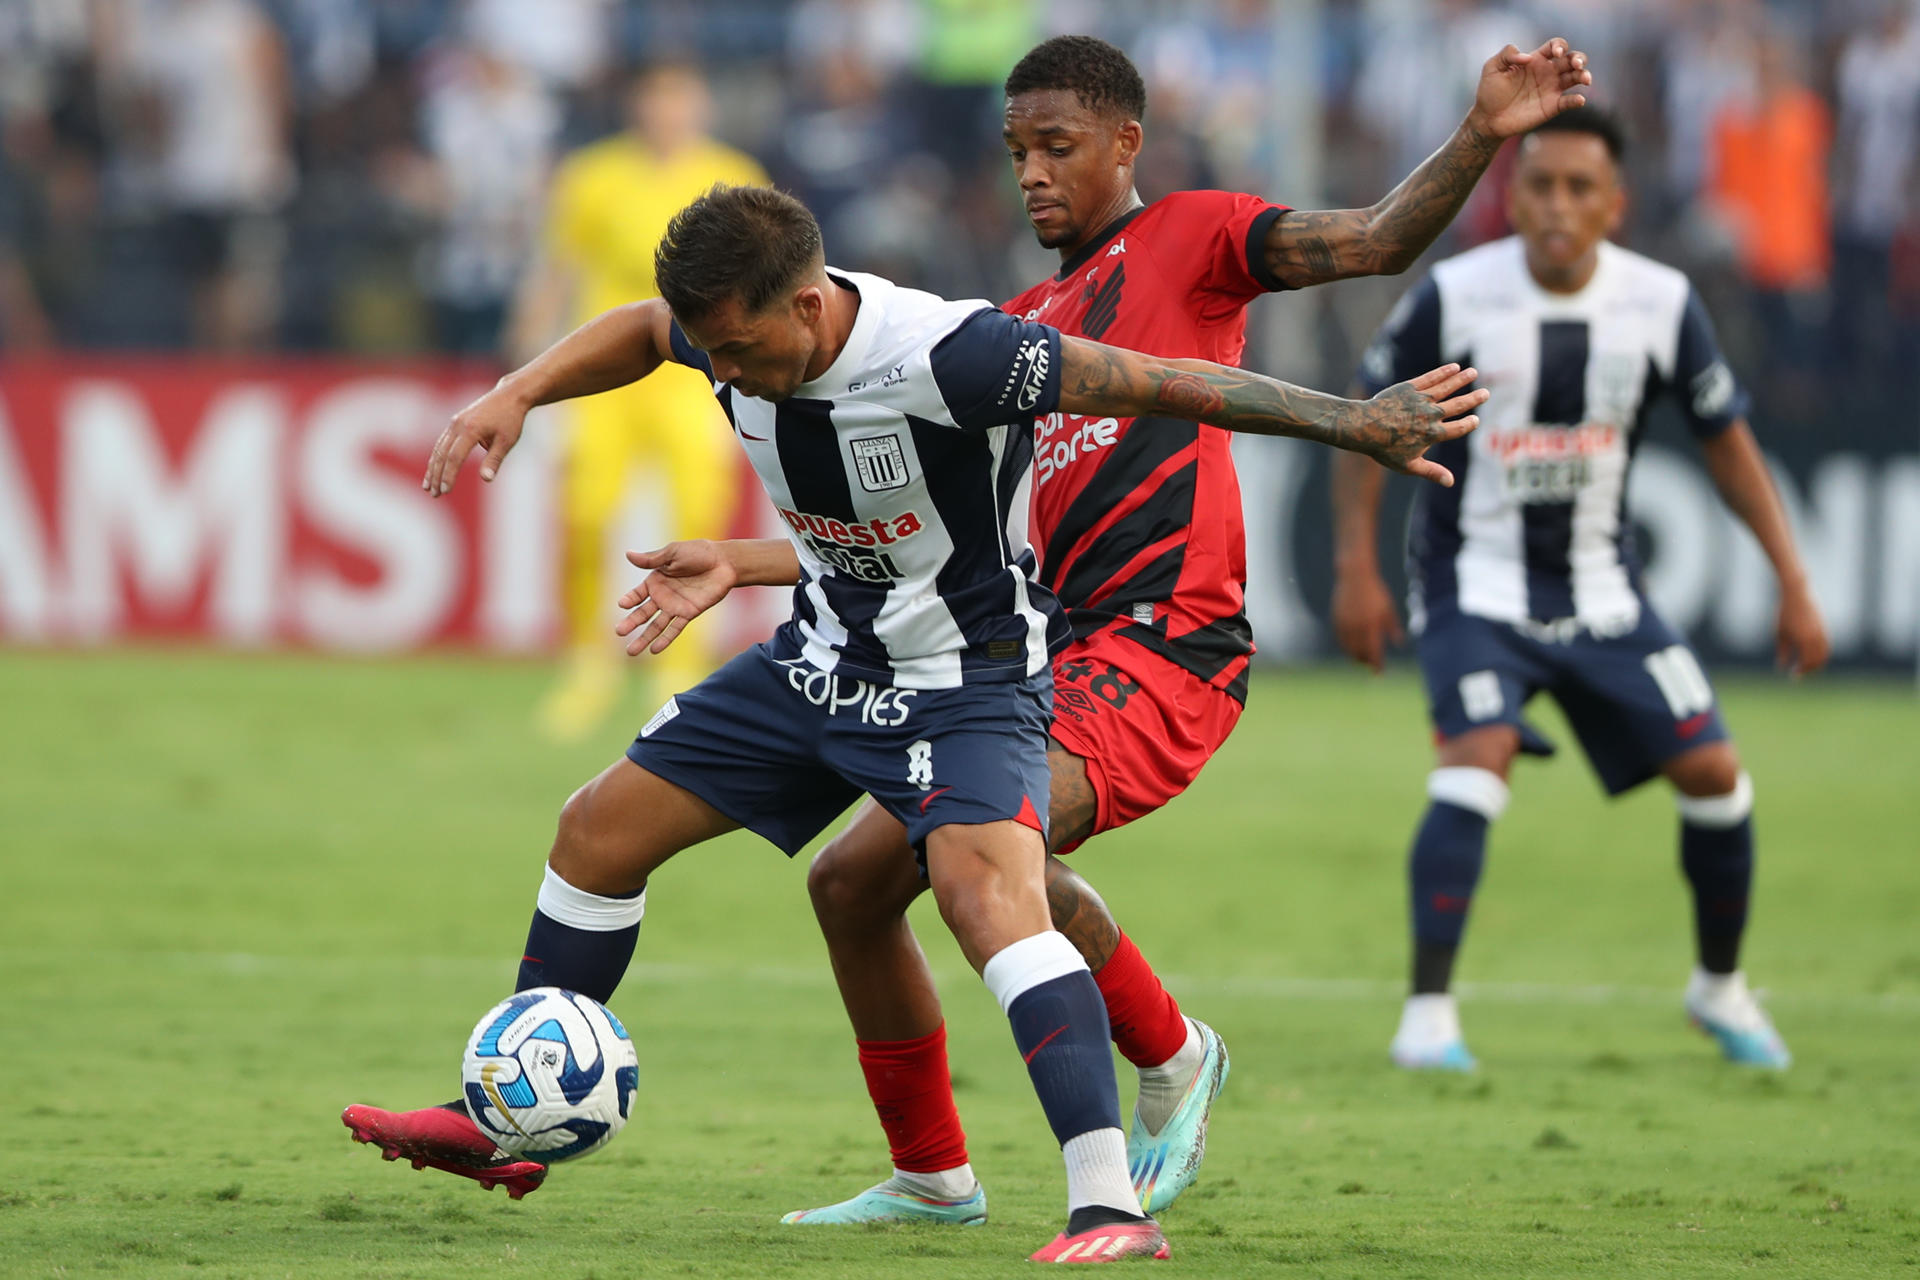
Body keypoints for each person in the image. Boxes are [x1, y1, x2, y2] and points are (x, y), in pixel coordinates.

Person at [344, 182, 1484, 1263]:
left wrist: (1355, 422)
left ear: (807, 302)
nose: (721, 366)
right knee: (597, 831)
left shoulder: (956, 352)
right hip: (822, 655)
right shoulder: (726, 323)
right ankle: (514, 1120)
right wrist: (516, 393)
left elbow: (1162, 382)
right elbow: (647, 330)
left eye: (736, 349)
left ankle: (1108, 1198)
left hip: (966, 676)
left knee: (988, 897)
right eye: (713, 350)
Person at [767, 34, 1592, 1225]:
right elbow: (922, 519)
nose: (1033, 173)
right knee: (850, 881)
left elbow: (1373, 242)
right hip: (1045, 650)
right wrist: (748, 563)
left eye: (1057, 147)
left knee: (984, 849)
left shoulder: (1198, 238)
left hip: (1165, 646)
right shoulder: (1020, 324)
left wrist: (1479, 133)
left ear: (1125, 145)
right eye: (1017, 153)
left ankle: (1169, 1054)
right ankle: (933, 1176)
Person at [1330, 108, 1831, 1074]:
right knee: (1475, 764)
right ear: (1510, 198)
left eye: (1578, 188)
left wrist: (1794, 580)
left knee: (1719, 782)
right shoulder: (1454, 297)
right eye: (1539, 185)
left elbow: (1727, 444)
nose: (1557, 206)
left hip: (1606, 596)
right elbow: (1365, 420)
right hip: (1475, 589)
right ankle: (1428, 1018)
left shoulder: (1663, 302)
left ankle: (1719, 990)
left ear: (1615, 204)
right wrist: (1356, 569)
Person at [508, 62, 768, 743]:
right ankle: (586, 664)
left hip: (695, 370)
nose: (668, 114)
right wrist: (530, 350)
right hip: (611, 369)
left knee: (698, 512)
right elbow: (559, 264)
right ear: (638, 106)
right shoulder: (593, 176)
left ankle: (679, 666)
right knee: (587, 512)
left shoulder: (734, 174)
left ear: (700, 106)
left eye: (681, 100)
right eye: (658, 100)